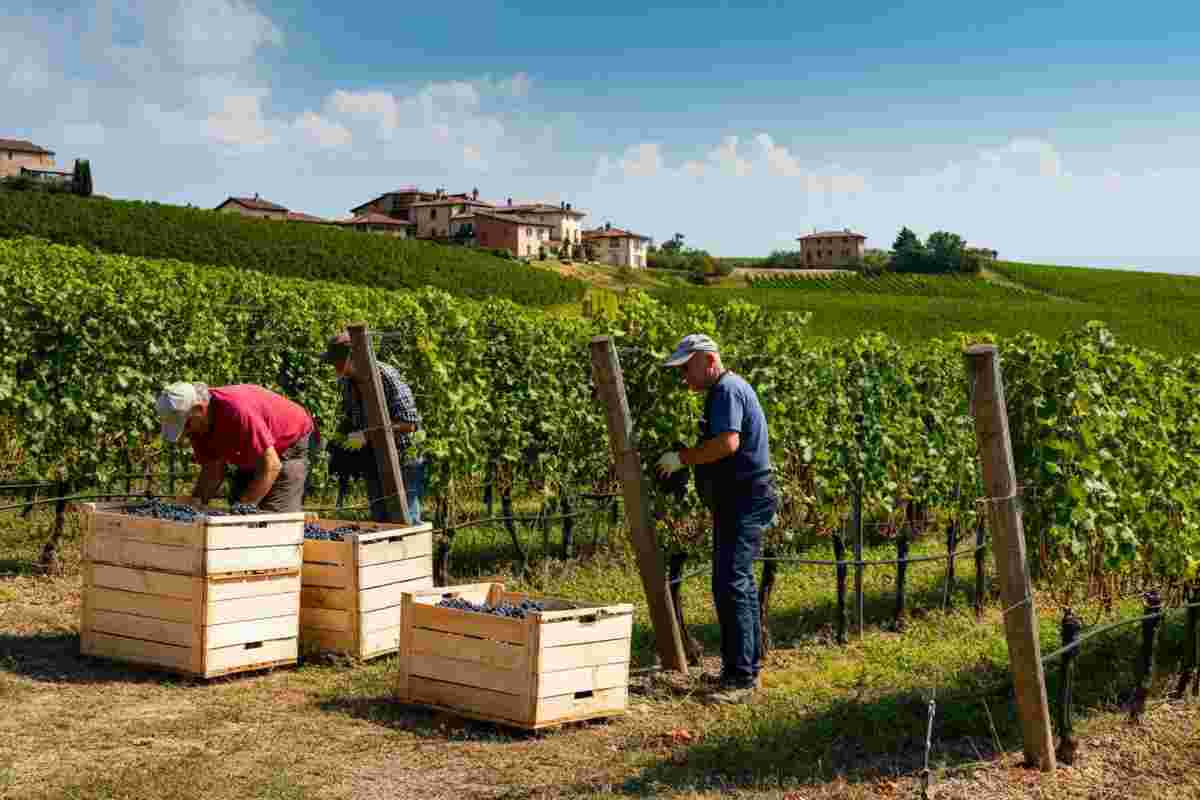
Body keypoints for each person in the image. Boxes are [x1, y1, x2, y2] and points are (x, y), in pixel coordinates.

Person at [656, 333, 776, 704]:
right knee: (737, 583)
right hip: (739, 499)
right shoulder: (725, 389)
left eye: (686, 368)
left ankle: (740, 679)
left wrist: (683, 458)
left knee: (731, 584)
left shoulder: (725, 390)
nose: (683, 377)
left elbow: (728, 443)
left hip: (744, 499)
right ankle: (743, 669)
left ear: (708, 360)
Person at [156, 382, 314, 512]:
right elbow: (212, 469)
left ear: (199, 409)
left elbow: (272, 466)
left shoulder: (236, 411)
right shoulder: (197, 425)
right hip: (256, 450)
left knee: (272, 516)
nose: (184, 433)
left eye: (186, 425)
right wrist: (195, 505)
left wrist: (242, 510)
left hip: (290, 442)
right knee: (240, 505)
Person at [320, 331, 426, 525]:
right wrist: (341, 440)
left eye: (336, 361)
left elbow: (410, 424)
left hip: (403, 455)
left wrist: (368, 434)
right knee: (380, 519)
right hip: (374, 457)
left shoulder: (385, 375)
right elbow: (353, 417)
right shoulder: (345, 382)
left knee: (405, 519)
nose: (332, 366)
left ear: (352, 357)